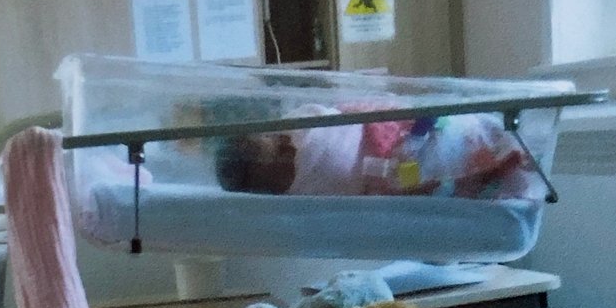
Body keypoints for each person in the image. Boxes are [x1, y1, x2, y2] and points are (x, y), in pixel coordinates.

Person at [215, 103, 539, 199]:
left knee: (447, 146)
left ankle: (499, 159)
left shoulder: (299, 127)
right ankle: (497, 166)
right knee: (432, 170)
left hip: (392, 142)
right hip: (392, 170)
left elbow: (343, 112)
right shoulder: (294, 189)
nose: (280, 146)